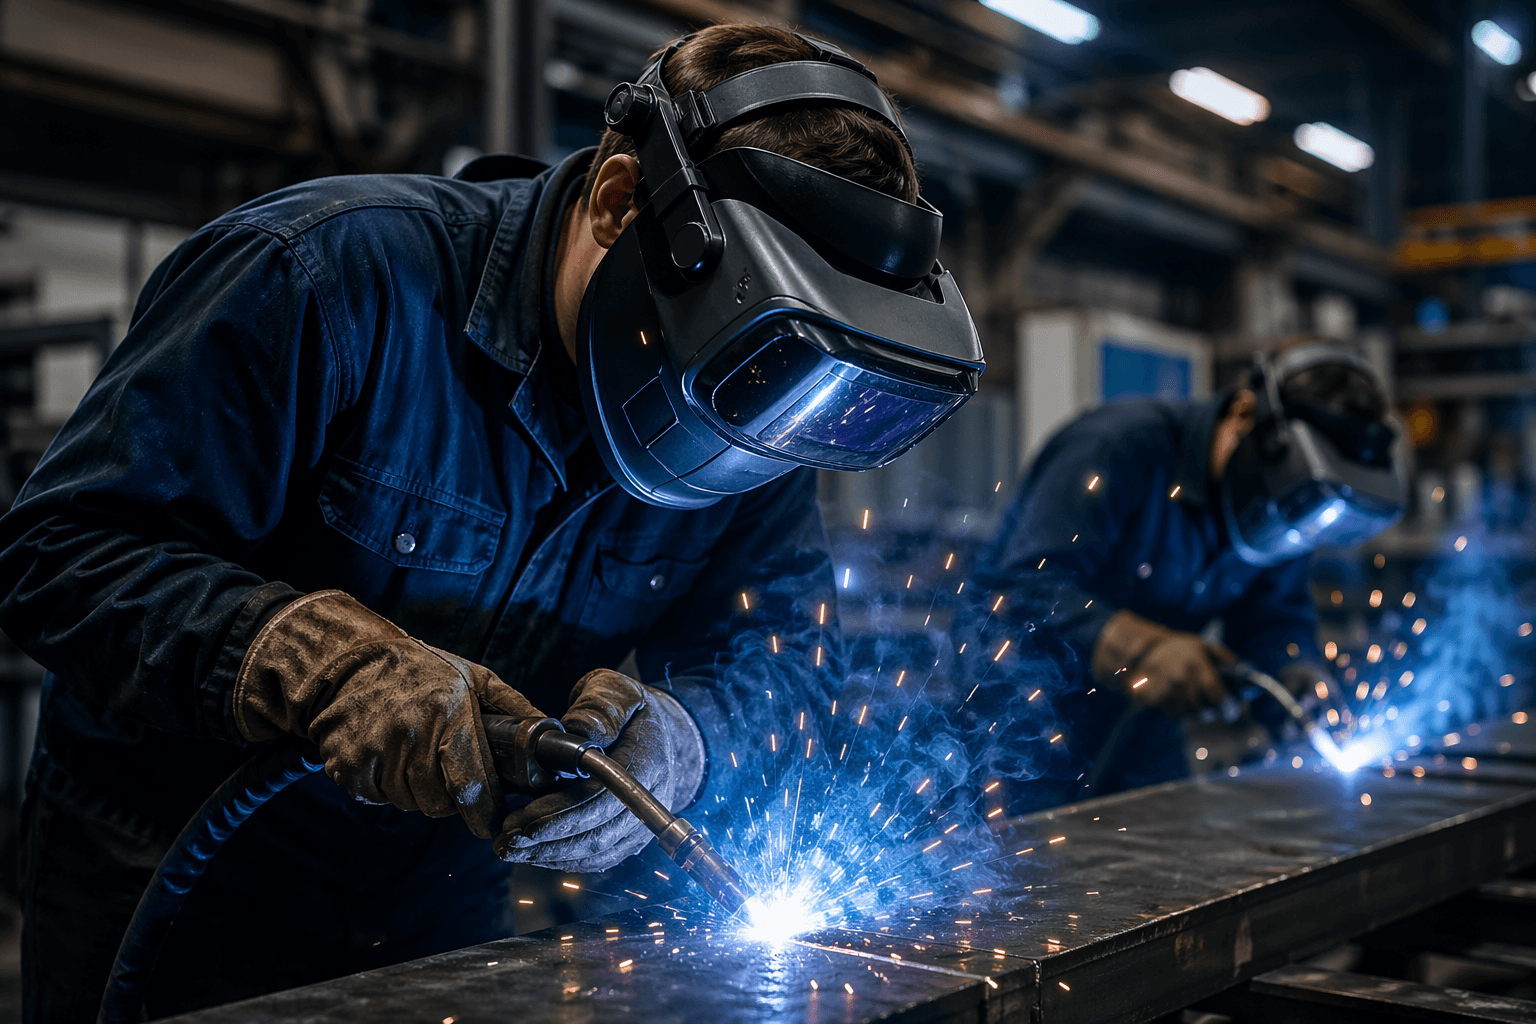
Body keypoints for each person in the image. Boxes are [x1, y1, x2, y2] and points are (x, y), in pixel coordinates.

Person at [0, 24, 982, 1022]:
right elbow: (61, 551)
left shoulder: (760, 386)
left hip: (439, 902)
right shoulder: (328, 277)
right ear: (615, 202)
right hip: (173, 889)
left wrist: (687, 741)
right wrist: (318, 662)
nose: (735, 457)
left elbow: (784, 664)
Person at [982, 339, 1405, 804]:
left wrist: (1294, 672)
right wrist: (1143, 652)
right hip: (1020, 723)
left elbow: (1272, 617)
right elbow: (1021, 594)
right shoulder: (1117, 449)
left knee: (1166, 852)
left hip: (1142, 721)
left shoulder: (1289, 502)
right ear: (1245, 415)